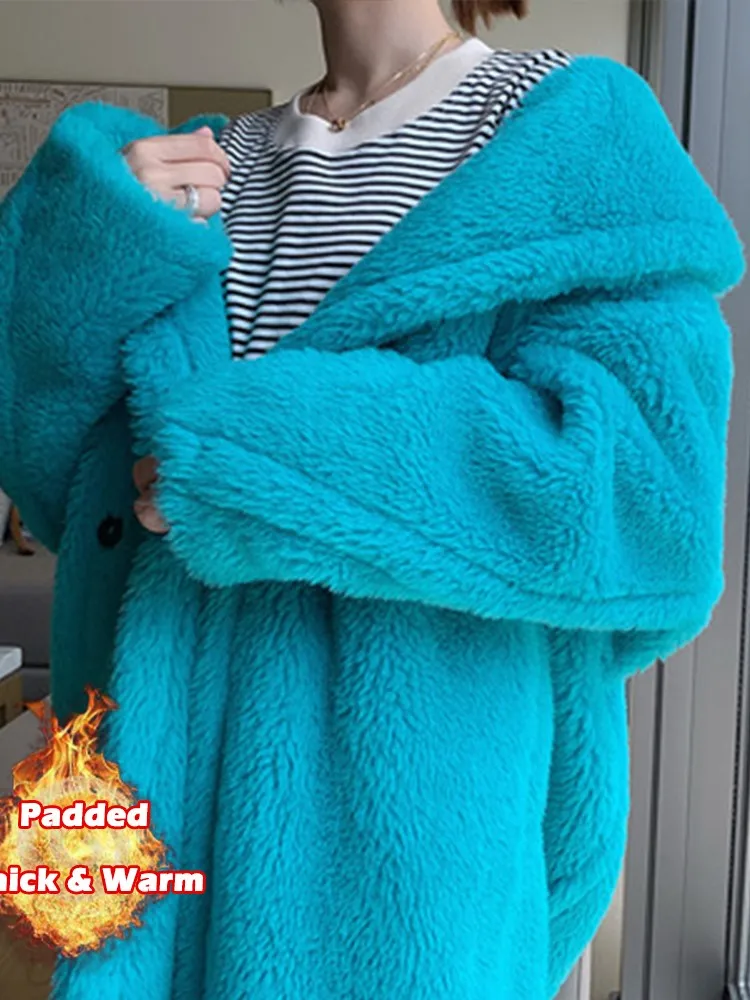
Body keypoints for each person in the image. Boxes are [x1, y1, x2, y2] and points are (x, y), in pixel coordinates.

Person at [0, 0, 744, 997]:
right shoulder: (206, 164)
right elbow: (61, 492)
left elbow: (646, 505)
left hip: (399, 872)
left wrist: (263, 457)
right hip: (137, 843)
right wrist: (84, 255)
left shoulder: (563, 129)